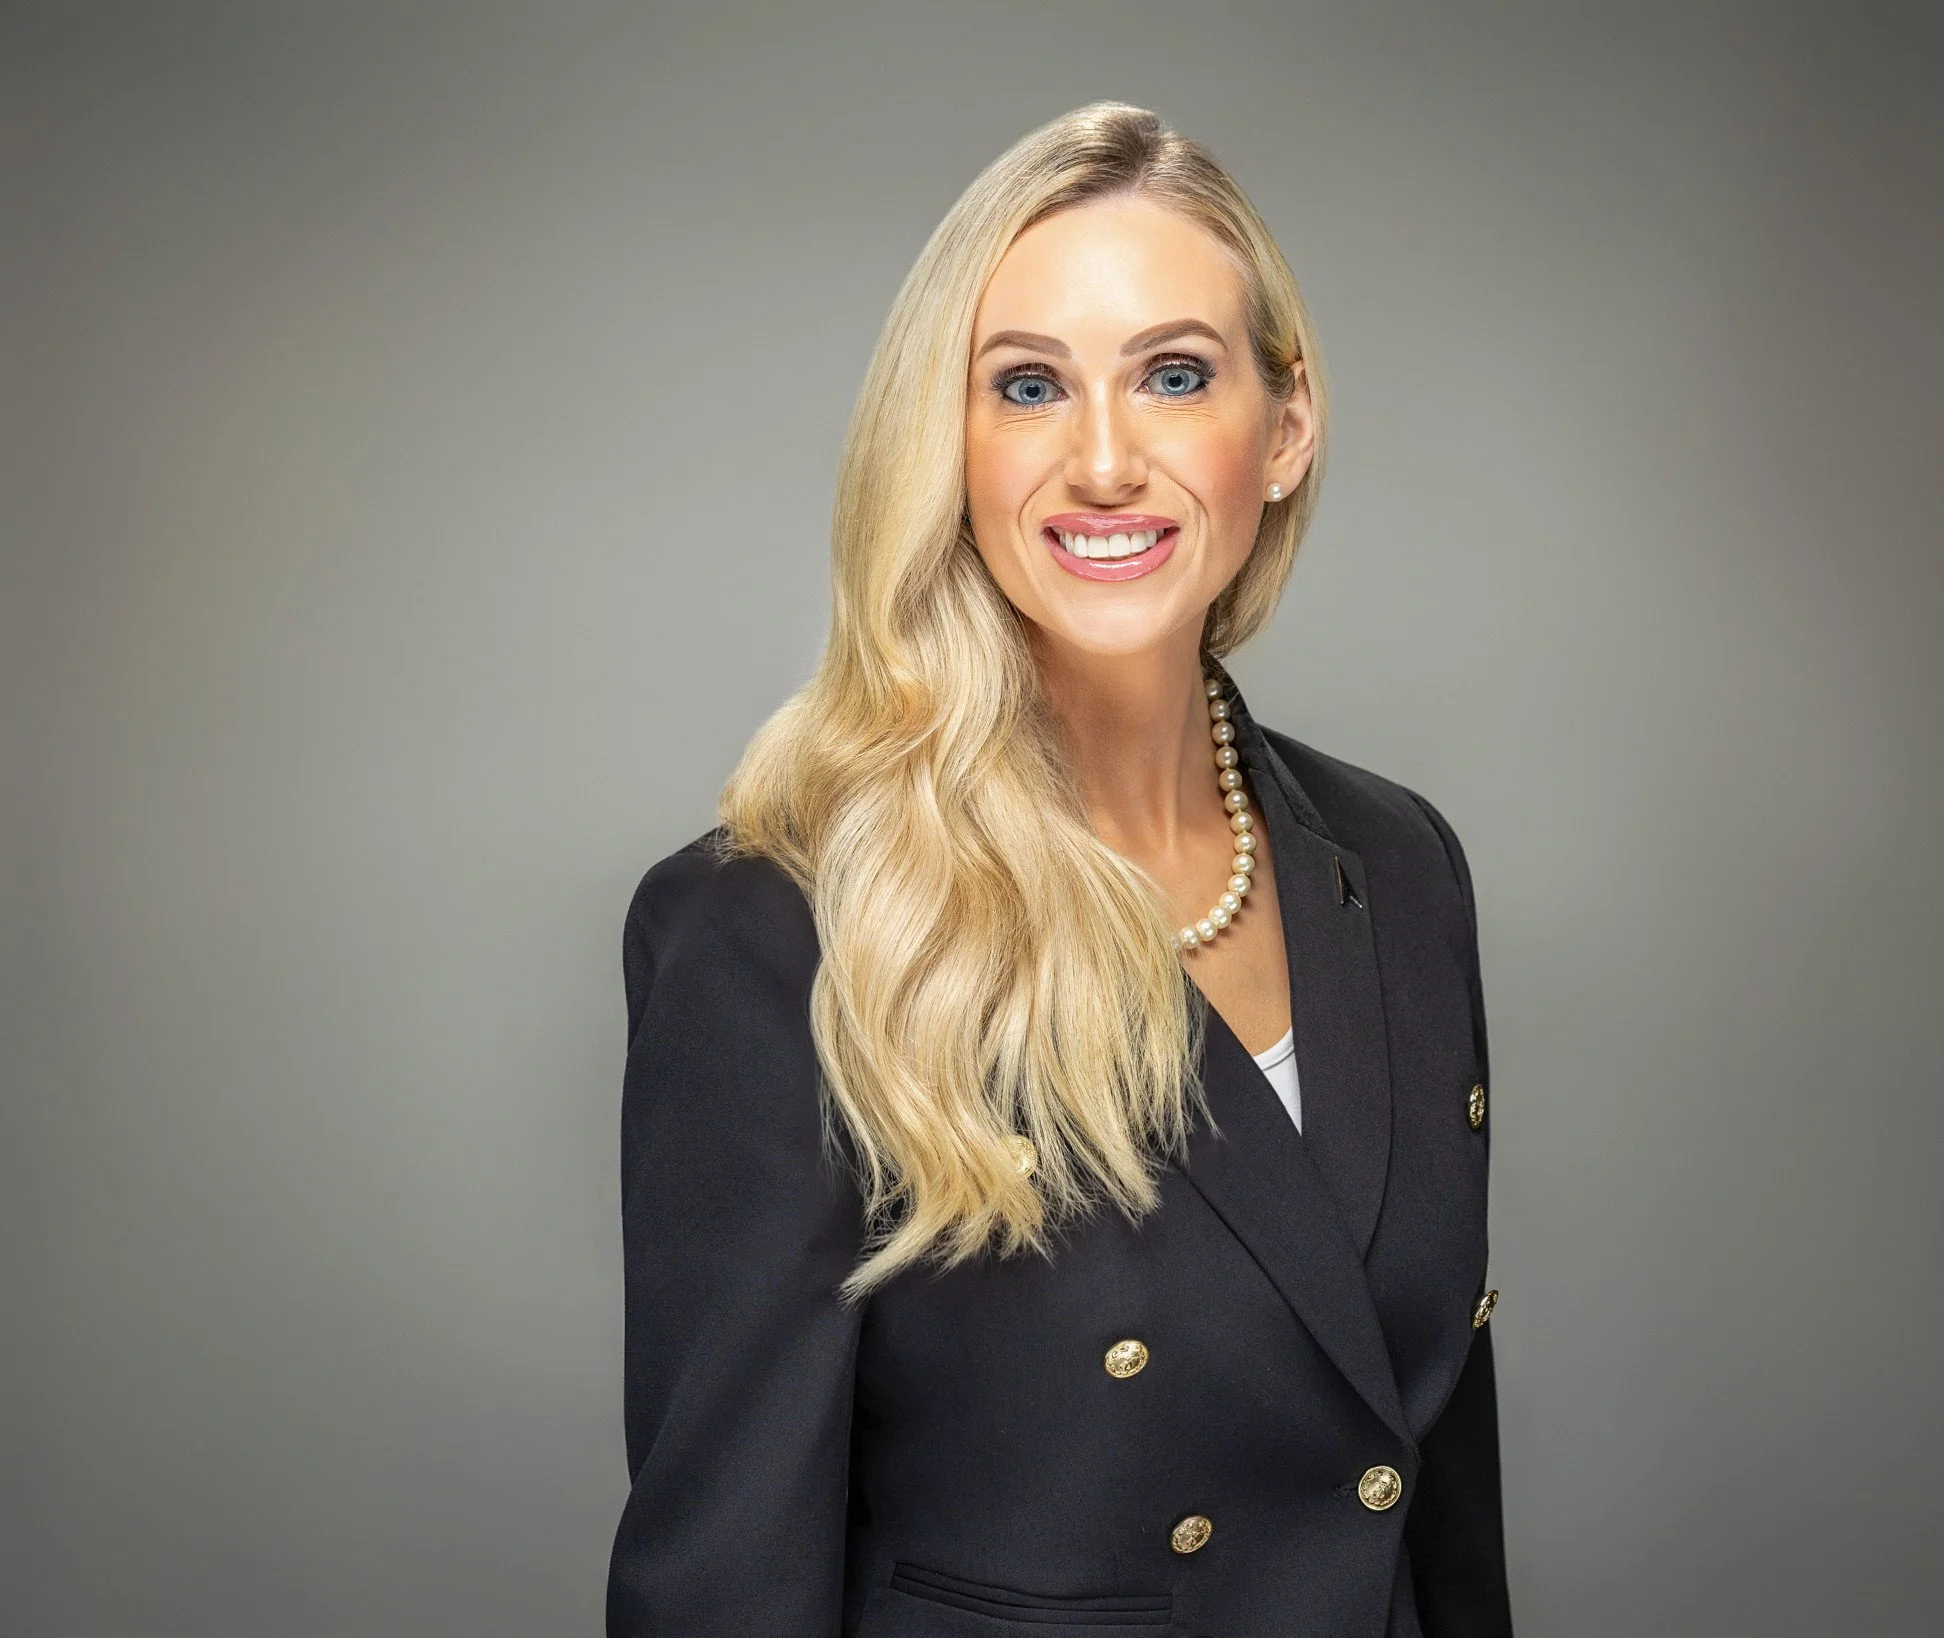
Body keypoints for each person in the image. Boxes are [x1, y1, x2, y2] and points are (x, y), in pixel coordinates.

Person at [606, 101, 1510, 1638]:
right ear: (946, 446)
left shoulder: (1401, 864)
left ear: (1285, 426)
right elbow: (723, 1588)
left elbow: (1431, 1498)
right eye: (1028, 386)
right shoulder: (781, 928)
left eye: (1175, 375)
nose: (1102, 460)